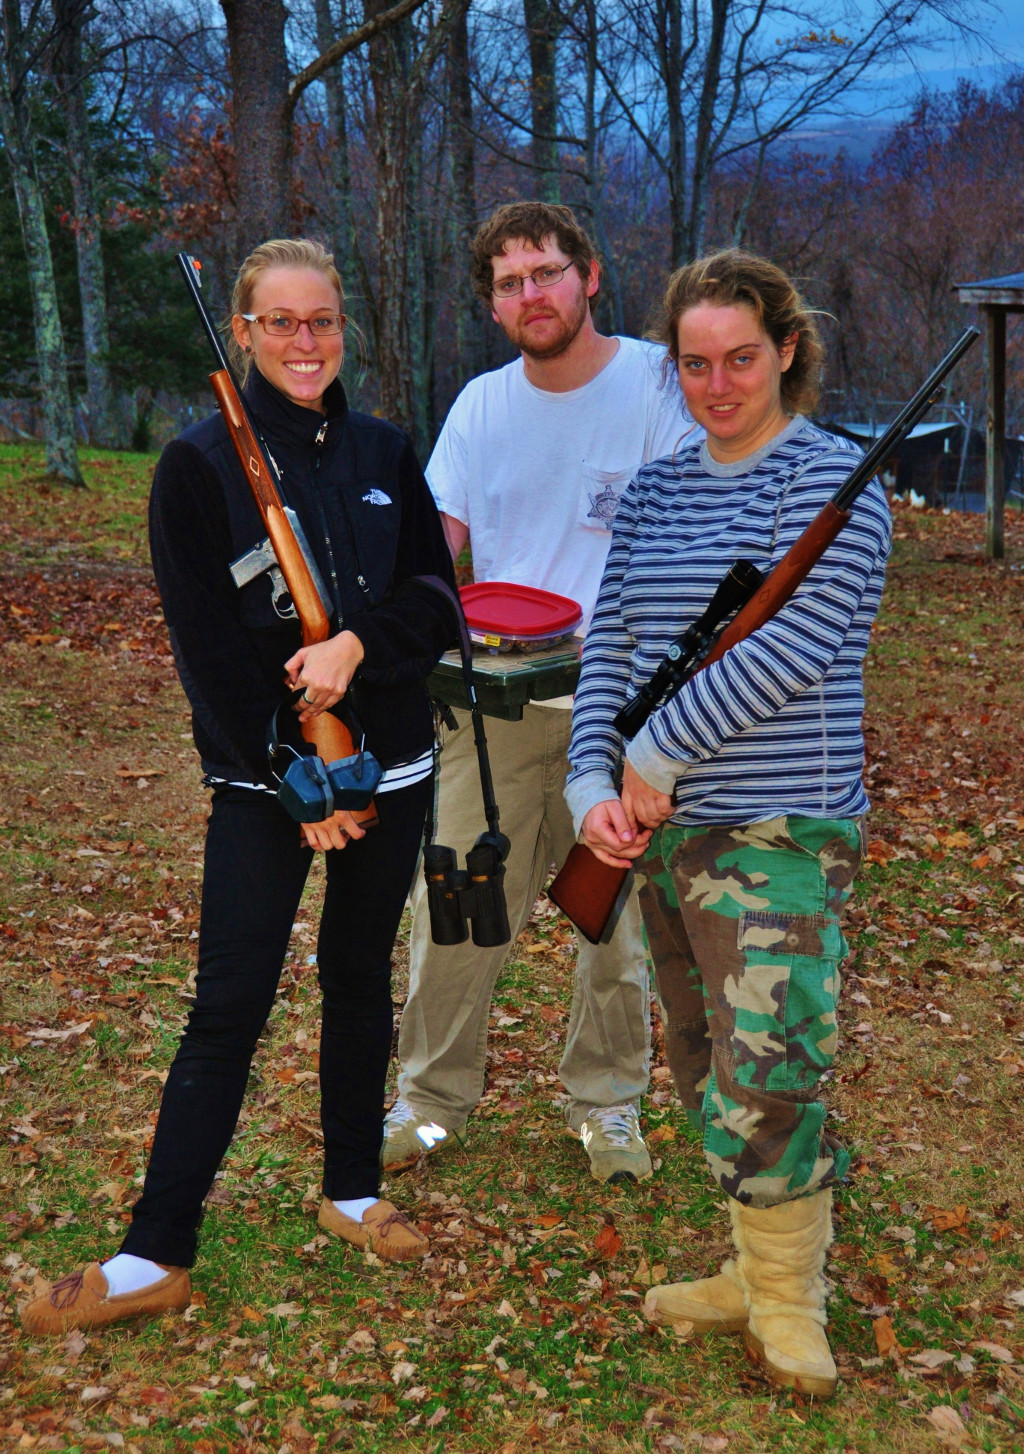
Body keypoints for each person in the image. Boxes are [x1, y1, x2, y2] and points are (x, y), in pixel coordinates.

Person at [21, 238, 457, 1335]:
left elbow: (438, 602)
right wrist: (298, 775)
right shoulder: (199, 466)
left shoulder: (385, 448)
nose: (305, 342)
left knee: (359, 976)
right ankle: (155, 1248)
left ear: (341, 329)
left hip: (395, 765)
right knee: (227, 1008)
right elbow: (210, 658)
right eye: (281, 322)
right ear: (248, 330)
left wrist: (357, 646)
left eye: (323, 321)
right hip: (269, 788)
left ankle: (351, 1187)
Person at [565, 249, 890, 1396]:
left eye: (741, 358)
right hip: (663, 834)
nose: (717, 383)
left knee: (771, 1066)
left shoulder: (838, 484)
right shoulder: (652, 492)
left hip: (782, 832)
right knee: (703, 1056)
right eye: (694, 363)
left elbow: (795, 651)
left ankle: (791, 1300)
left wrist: (656, 755)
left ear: (787, 350)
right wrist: (590, 785)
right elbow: (609, 651)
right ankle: (748, 1271)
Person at [383, 201, 697, 1185]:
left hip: (623, 714)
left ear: (589, 275)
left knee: (609, 923)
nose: (532, 294)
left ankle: (607, 1105)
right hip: (496, 709)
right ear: (492, 301)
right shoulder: (481, 406)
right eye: (511, 281)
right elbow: (438, 541)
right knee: (456, 907)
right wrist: (399, 632)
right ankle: (428, 1102)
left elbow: (699, 527)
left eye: (547, 272)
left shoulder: (656, 384)